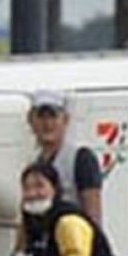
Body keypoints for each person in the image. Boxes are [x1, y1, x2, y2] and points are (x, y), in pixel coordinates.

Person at [27, 89, 103, 223]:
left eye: (53, 116)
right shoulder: (34, 163)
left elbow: (93, 215)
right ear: (31, 121)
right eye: (41, 117)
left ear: (65, 120)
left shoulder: (81, 158)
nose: (47, 124)